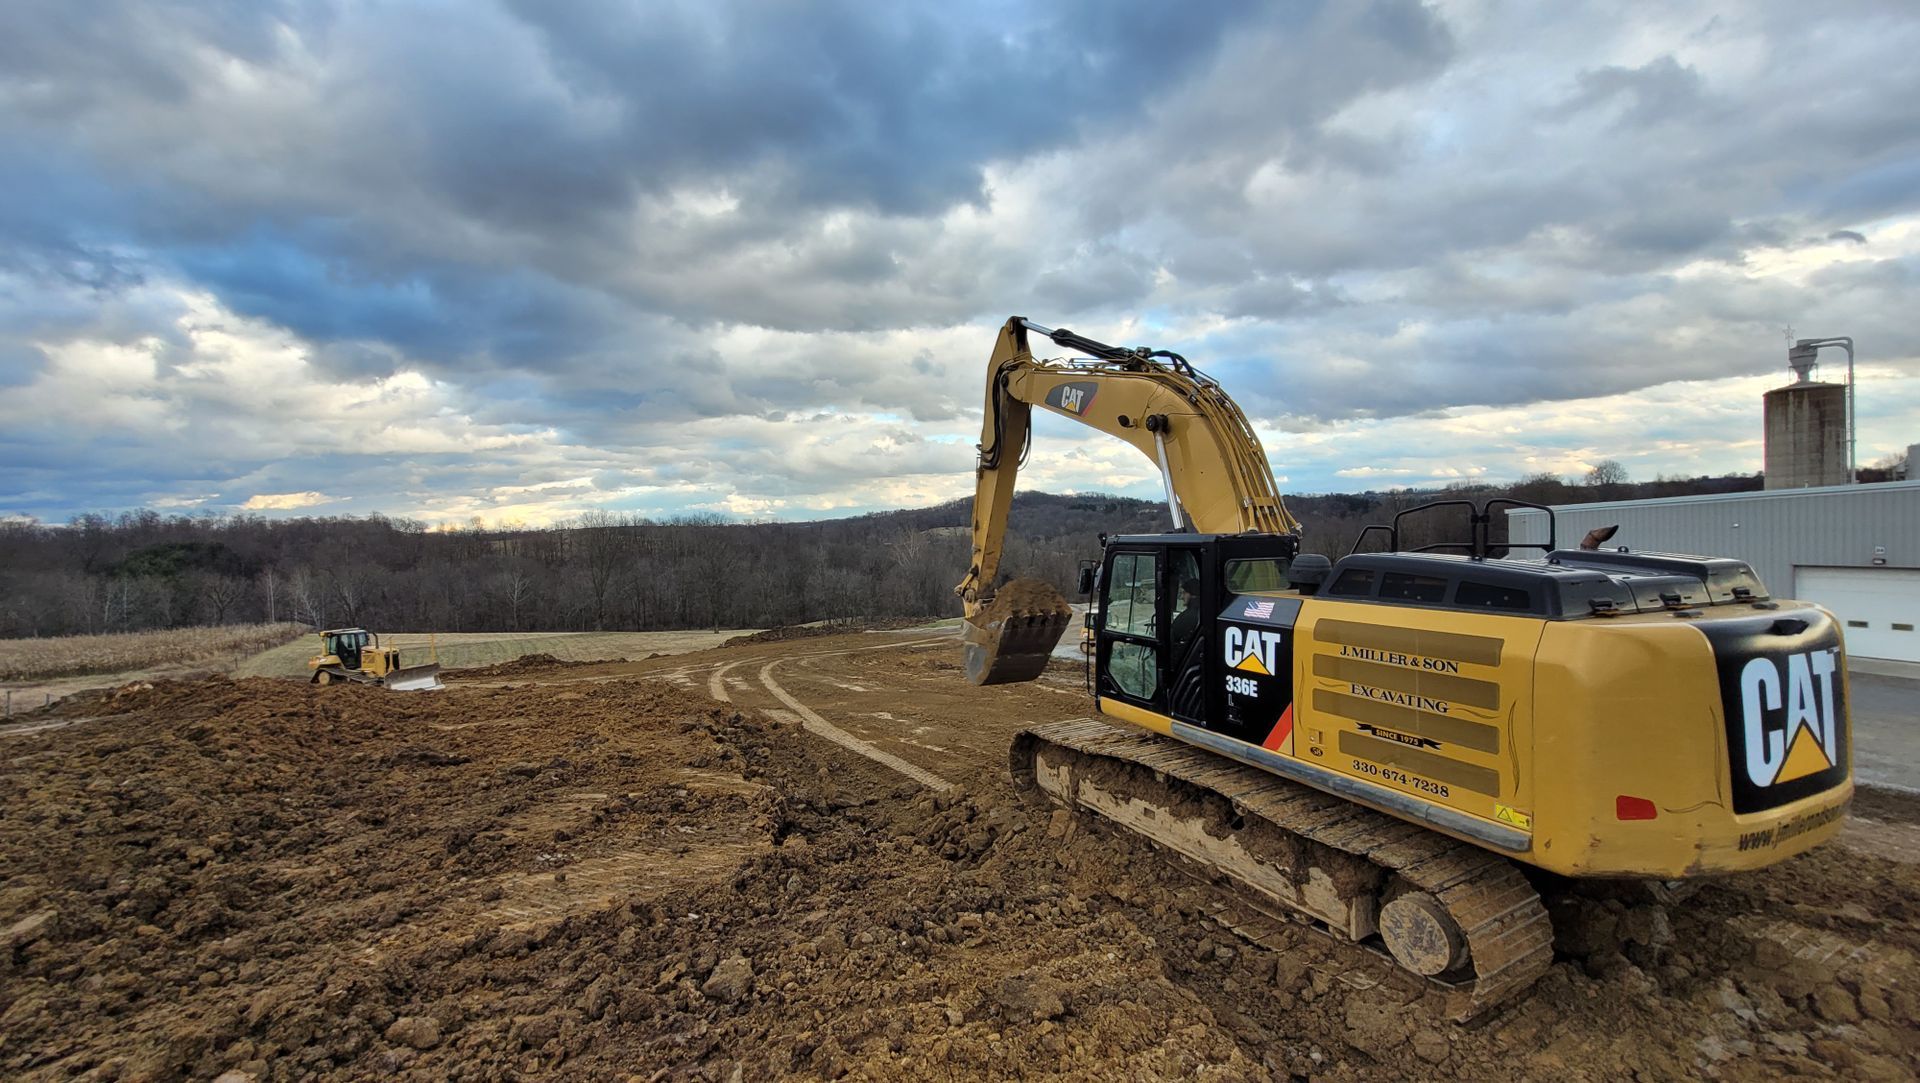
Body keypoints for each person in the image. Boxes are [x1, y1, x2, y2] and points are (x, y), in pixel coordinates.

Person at [1168, 576, 1202, 652]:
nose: (1182, 597)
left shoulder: (1187, 616)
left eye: (1184, 593)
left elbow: (1170, 639)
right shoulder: (1202, 611)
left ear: (1193, 594)